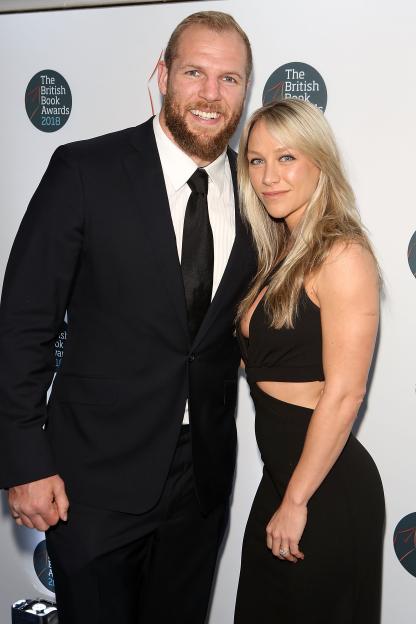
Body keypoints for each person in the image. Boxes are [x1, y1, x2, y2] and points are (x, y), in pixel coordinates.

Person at [0, 11, 255, 624]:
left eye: (230, 79)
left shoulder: (258, 189)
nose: (210, 95)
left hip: (201, 483)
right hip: (91, 482)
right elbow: (24, 324)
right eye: (195, 72)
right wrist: (25, 462)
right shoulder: (84, 171)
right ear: (163, 74)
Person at [234, 100, 385, 623]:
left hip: (322, 489)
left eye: (286, 158)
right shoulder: (277, 252)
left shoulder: (341, 254)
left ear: (319, 161)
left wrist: (297, 501)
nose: (269, 176)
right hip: (280, 481)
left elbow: (345, 393)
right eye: (256, 161)